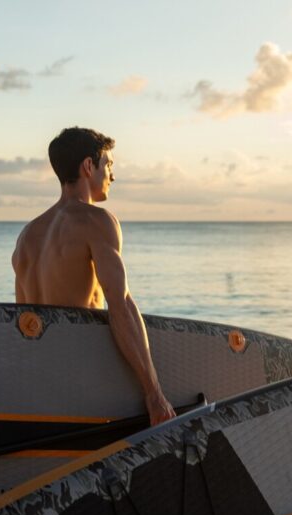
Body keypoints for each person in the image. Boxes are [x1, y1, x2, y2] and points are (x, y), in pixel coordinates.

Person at [12, 127, 175, 425]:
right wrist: (154, 393)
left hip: (37, 380)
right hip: (84, 378)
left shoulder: (27, 236)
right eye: (109, 165)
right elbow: (120, 304)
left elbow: (24, 320)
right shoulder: (96, 221)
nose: (112, 176)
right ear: (89, 166)